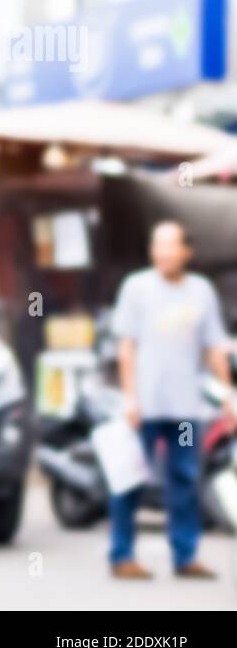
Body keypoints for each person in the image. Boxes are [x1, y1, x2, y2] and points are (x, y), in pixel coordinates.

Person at [108, 220, 236, 580]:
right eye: (157, 245)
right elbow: (126, 346)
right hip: (144, 408)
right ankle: (122, 555)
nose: (162, 252)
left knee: (184, 479)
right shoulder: (136, 287)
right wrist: (130, 398)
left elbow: (214, 348)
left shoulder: (201, 291)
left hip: (184, 411)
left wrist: (228, 395)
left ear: (186, 251)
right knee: (130, 479)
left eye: (169, 245)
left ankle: (185, 555)